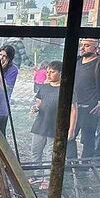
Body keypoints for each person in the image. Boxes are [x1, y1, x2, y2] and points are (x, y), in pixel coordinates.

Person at [72, 38, 100, 159]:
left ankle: (84, 167)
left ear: (96, 48)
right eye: (82, 45)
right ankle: (71, 162)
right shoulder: (77, 62)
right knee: (69, 136)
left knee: (88, 139)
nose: (83, 48)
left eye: (87, 45)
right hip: (74, 107)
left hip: (91, 108)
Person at [30, 61, 64, 189]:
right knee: (35, 151)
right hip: (40, 123)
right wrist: (35, 108)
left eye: (52, 72)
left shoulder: (64, 89)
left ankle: (48, 178)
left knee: (50, 153)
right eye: (48, 72)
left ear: (60, 73)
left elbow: (73, 109)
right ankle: (37, 175)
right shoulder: (44, 87)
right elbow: (39, 102)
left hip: (54, 125)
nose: (48, 74)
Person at [0, 44, 19, 135]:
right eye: (0, 55)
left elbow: (5, 88)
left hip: (2, 107)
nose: (1, 58)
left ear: (9, 58)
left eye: (5, 56)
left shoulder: (13, 70)